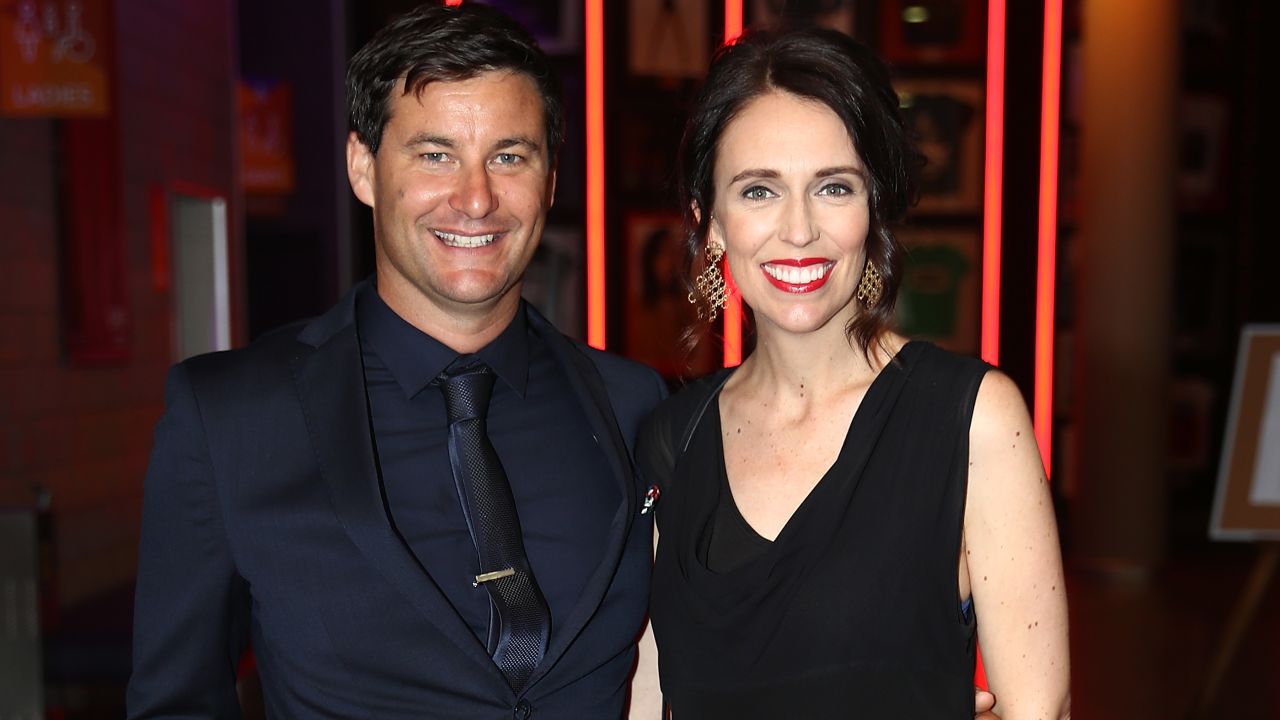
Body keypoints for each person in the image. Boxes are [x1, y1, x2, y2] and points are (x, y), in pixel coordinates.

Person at [127, 4, 667, 718]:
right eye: (435, 154)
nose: (475, 199)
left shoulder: (636, 406)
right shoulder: (231, 418)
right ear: (363, 168)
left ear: (551, 179)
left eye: (509, 156)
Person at [636, 26, 1071, 718]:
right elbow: (650, 695)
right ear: (709, 220)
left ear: (873, 210)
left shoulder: (970, 419)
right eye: (758, 192)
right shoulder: (672, 439)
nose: (799, 230)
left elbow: (1037, 710)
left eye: (833, 188)